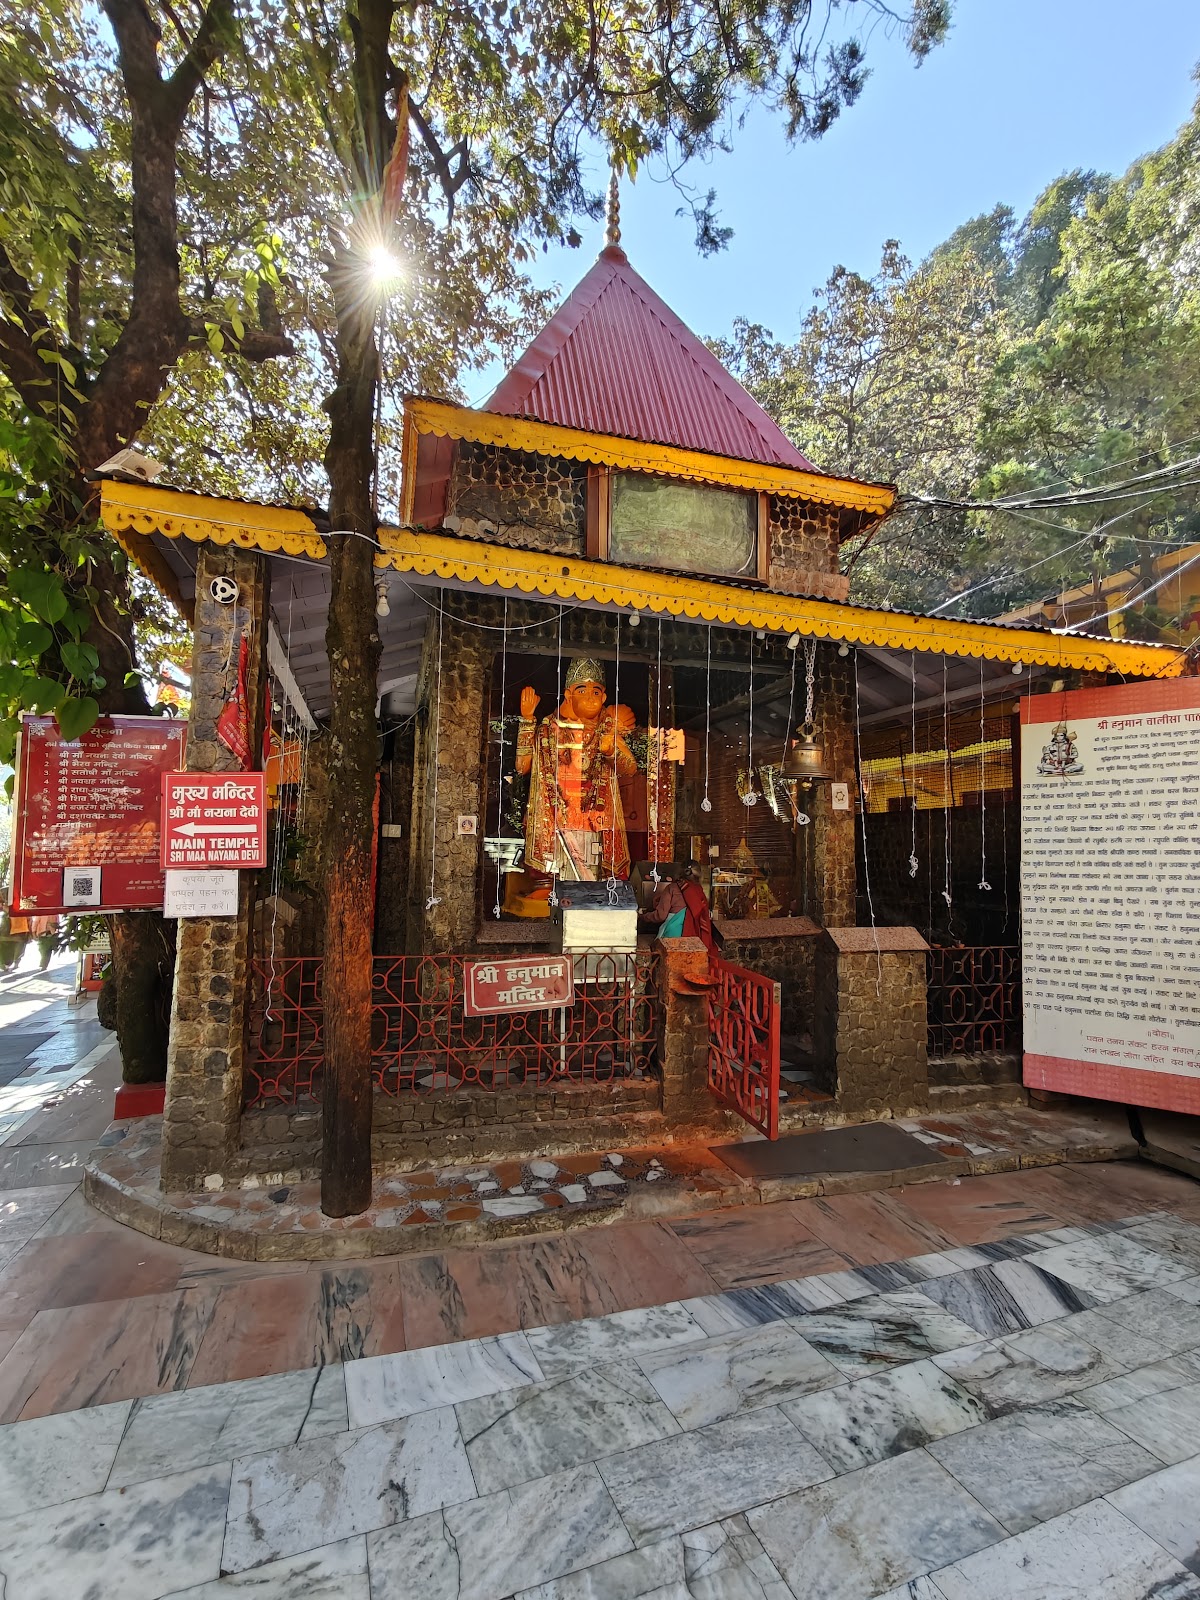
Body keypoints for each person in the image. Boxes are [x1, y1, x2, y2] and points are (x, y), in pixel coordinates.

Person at [515, 657, 636, 884]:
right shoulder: (548, 730)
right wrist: (527, 719)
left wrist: (610, 751)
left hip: (595, 822)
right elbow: (522, 767)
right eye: (582, 691)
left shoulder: (607, 727)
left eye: (596, 692)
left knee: (595, 880)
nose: (590, 698)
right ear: (568, 695)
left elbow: (630, 769)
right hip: (558, 820)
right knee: (553, 880)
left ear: (605, 697)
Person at [645, 864, 715, 951]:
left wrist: (644, 917)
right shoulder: (699, 891)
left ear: (679, 873)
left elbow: (661, 915)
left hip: (672, 936)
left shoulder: (672, 888)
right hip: (695, 940)